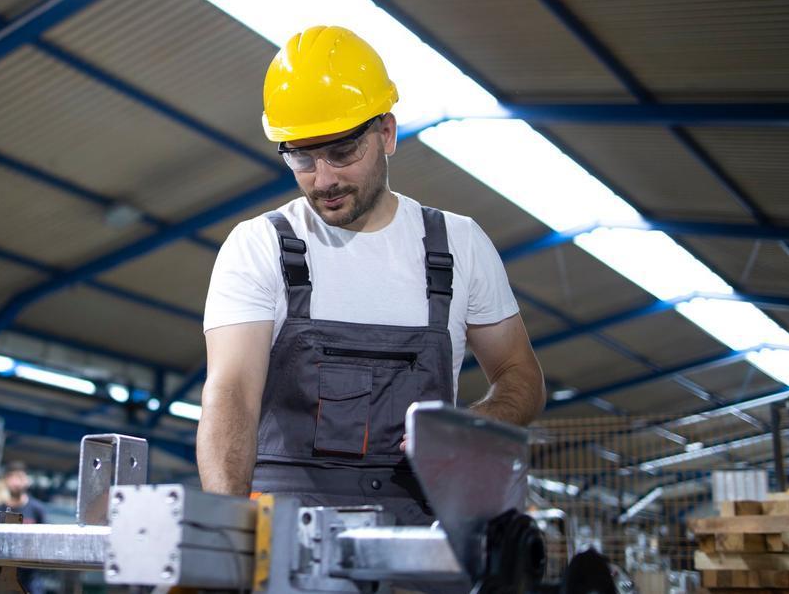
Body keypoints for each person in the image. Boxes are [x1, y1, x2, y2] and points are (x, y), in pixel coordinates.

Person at [198, 26, 546, 525]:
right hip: (285, 540)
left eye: (342, 153)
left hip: (421, 534)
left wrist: (469, 426)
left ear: (386, 133)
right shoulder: (260, 247)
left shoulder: (459, 245)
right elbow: (230, 393)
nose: (323, 179)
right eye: (301, 156)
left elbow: (522, 377)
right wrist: (226, 534)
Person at [0, 462, 47, 594]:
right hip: (2, 576)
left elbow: (45, 541)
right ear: (6, 480)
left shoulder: (37, 510)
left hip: (31, 578)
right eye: (12, 477)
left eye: (20, 477)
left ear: (27, 480)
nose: (16, 482)